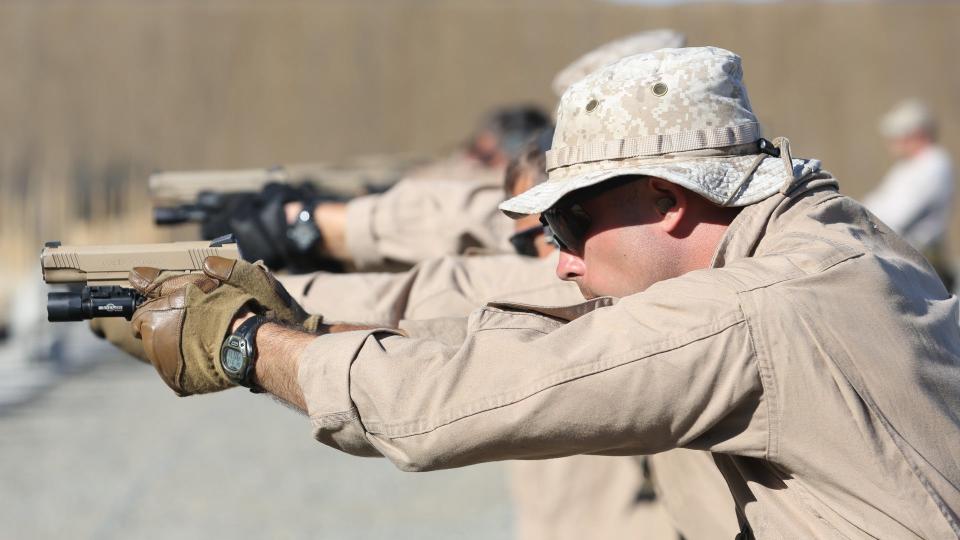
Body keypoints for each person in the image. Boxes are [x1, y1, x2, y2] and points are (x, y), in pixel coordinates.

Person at [133, 47, 960, 538]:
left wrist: (242, 340)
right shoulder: (832, 237)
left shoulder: (755, 309)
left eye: (567, 224)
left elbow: (433, 411)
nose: (556, 259)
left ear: (670, 201)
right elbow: (494, 304)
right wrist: (301, 312)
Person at [863, 98, 955, 289]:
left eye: (898, 135)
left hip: (921, 264)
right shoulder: (906, 168)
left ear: (917, 133)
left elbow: (898, 215)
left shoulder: (934, 164)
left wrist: (859, 220)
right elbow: (875, 202)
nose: (892, 142)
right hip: (901, 259)